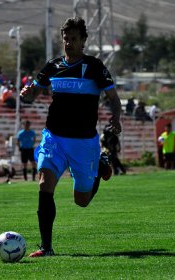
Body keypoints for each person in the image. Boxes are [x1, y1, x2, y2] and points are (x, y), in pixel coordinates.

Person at [20, 17, 122, 257]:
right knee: (45, 185)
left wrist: (116, 119)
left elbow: (114, 99)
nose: (69, 43)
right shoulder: (52, 66)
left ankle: (100, 163)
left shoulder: (95, 66)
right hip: (54, 138)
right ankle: (46, 247)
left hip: (84, 142)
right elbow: (32, 94)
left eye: (74, 39)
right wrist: (27, 94)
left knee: (82, 201)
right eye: (66, 39)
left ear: (84, 40)